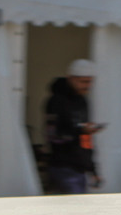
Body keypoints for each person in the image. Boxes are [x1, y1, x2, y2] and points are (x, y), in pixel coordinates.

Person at [44, 58, 103, 194]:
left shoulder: (82, 101)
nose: (87, 86)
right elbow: (53, 136)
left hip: (78, 168)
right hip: (62, 166)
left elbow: (86, 140)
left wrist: (93, 169)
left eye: (90, 82)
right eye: (83, 81)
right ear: (70, 79)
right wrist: (80, 131)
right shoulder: (56, 102)